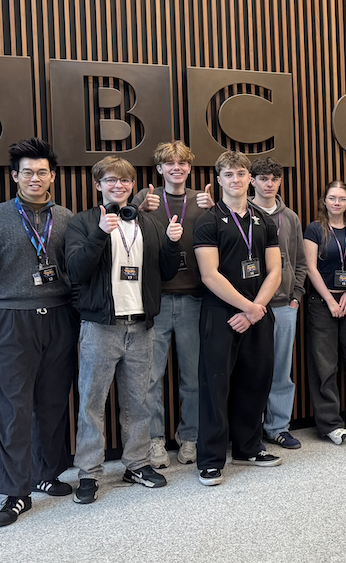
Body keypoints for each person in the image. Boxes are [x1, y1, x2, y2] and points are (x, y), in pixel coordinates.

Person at [0, 138, 78, 527]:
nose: (34, 178)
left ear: (52, 176)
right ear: (15, 177)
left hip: (59, 316)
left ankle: (47, 474)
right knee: (14, 407)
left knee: (54, 401)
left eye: (42, 171)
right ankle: (15, 492)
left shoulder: (66, 217)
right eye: (27, 172)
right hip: (12, 318)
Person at [65, 156, 182, 503]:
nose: (119, 186)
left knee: (138, 402)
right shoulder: (83, 222)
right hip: (101, 327)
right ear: (98, 184)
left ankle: (136, 464)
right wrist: (101, 234)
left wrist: (173, 243)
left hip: (142, 326)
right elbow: (76, 269)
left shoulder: (147, 222)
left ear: (133, 186)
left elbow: (167, 272)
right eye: (111, 180)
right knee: (91, 403)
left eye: (126, 181)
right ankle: (89, 473)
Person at [192, 151, 283, 487]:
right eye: (228, 175)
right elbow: (209, 275)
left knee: (256, 380)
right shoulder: (208, 220)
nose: (236, 180)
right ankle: (211, 460)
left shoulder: (264, 220)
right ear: (219, 180)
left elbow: (275, 270)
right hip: (221, 314)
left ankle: (248, 447)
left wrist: (256, 309)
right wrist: (247, 307)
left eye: (241, 174)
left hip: (258, 313)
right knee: (215, 386)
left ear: (249, 179)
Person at [132, 140, 213, 469]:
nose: (176, 168)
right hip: (158, 300)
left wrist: (215, 209)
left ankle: (190, 437)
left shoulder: (203, 200)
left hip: (194, 297)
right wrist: (140, 212)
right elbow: (126, 238)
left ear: (189, 168)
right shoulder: (145, 199)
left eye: (182, 163)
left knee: (192, 376)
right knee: (151, 378)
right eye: (169, 163)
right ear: (160, 169)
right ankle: (154, 442)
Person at [303, 181, 346, 444]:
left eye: (342, 199)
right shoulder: (314, 229)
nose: (337, 203)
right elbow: (310, 267)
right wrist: (330, 299)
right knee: (324, 365)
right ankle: (331, 423)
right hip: (322, 303)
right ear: (324, 201)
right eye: (332, 198)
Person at [248, 157, 307, 450]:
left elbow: (299, 261)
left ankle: (278, 427)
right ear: (252, 181)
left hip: (284, 305)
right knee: (251, 368)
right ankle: (250, 430)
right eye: (263, 179)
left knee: (281, 369)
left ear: (280, 182)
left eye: (274, 179)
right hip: (250, 306)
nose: (269, 184)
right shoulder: (242, 212)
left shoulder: (291, 217)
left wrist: (296, 297)